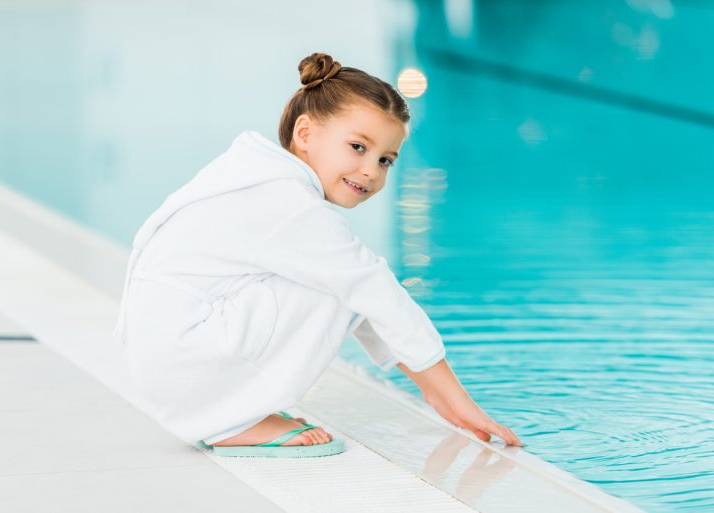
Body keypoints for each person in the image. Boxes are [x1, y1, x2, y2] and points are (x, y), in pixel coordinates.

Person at [114, 52, 523, 458]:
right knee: (352, 280)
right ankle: (231, 420)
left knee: (345, 277)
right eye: (358, 147)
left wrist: (431, 386)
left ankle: (226, 408)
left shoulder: (260, 177)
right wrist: (453, 398)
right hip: (185, 372)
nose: (371, 171)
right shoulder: (286, 203)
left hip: (168, 365)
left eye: (385, 160)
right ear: (305, 134)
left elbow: (363, 293)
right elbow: (371, 288)